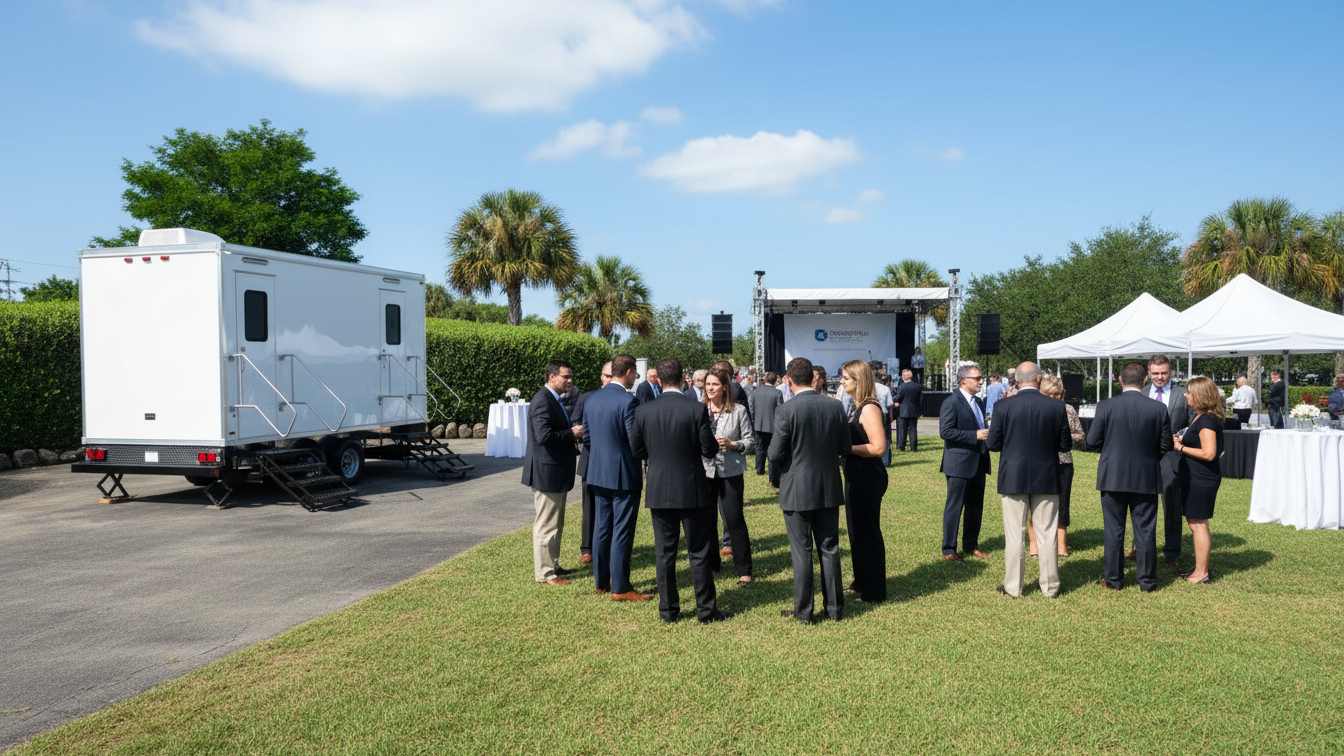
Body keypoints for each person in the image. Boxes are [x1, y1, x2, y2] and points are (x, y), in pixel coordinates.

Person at [631, 358, 732, 624]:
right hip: (691, 488)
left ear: (659, 380)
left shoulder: (643, 411)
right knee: (698, 552)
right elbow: (708, 448)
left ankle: (668, 611)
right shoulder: (695, 409)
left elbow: (637, 450)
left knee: (664, 554)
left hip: (659, 488)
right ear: (683, 379)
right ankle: (706, 611)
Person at [769, 357, 852, 623]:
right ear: (814, 378)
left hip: (797, 489)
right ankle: (834, 608)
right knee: (829, 548)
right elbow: (845, 447)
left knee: (801, 552)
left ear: (789, 380)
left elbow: (774, 453)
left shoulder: (786, 410)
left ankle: (804, 612)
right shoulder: (835, 406)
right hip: (828, 486)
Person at [986, 362, 1071, 598]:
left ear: (1016, 380)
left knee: (1014, 534)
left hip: (1013, 476)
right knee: (1047, 533)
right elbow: (1065, 445)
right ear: (1038, 379)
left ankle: (1013, 587)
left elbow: (992, 444)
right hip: (1046, 475)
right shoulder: (1056, 407)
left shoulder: (1003, 406)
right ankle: (1050, 587)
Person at [1086, 362, 1173, 592]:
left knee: (1113, 530)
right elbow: (1165, 444)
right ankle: (1147, 581)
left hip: (1113, 475)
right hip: (1146, 476)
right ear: (1145, 380)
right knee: (1145, 530)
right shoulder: (1158, 408)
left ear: (1120, 380)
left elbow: (1092, 440)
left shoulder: (1106, 406)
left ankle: (1114, 581)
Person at [581, 354, 649, 601]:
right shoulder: (629, 401)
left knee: (602, 528)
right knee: (621, 530)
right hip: (623, 474)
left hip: (597, 472)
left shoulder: (591, 398)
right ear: (629, 372)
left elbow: (586, 439)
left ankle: (601, 582)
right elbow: (635, 443)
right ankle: (620, 587)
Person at [521, 360, 583, 586]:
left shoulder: (553, 399)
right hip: (547, 473)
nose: (570, 380)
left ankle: (553, 565)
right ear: (552, 377)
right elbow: (543, 436)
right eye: (566, 376)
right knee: (546, 525)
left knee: (556, 523)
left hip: (556, 473)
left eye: (570, 376)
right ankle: (546, 574)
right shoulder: (542, 400)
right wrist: (572, 433)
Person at [839, 360, 889, 603]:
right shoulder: (856, 406)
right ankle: (861, 581)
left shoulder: (869, 408)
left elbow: (879, 447)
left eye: (846, 378)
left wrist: (846, 448)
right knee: (856, 532)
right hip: (856, 475)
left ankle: (875, 590)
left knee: (867, 533)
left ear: (859, 381)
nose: (841, 382)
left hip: (867, 478)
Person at [702, 366, 756, 585]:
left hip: (730, 472)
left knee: (734, 519)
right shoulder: (698, 409)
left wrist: (734, 444)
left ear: (725, 387)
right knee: (706, 521)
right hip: (704, 472)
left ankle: (744, 569)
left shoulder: (739, 411)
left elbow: (751, 442)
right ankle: (712, 564)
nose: (710, 388)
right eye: (707, 384)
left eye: (715, 384)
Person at [1141, 355, 1192, 567]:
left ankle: (1172, 551)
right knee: (1141, 505)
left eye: (1163, 373)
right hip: (1144, 457)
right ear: (1148, 373)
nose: (1159, 377)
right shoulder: (1141, 394)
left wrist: (1180, 438)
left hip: (1173, 458)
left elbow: (1193, 424)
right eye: (1155, 373)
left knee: (1171, 506)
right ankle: (1140, 547)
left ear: (1170, 373)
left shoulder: (1183, 394)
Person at [938, 363, 991, 562]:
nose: (981, 381)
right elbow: (946, 432)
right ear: (963, 380)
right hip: (959, 464)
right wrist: (974, 435)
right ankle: (949, 549)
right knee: (955, 506)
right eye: (977, 378)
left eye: (981, 377)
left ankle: (971, 545)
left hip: (978, 462)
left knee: (975, 507)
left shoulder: (978, 402)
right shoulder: (951, 402)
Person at [1174, 376, 1225, 585]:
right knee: (1195, 522)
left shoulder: (1207, 420)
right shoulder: (1200, 416)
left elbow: (1209, 453)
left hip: (1201, 479)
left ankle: (1202, 572)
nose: (1185, 395)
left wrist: (1181, 447)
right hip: (1194, 477)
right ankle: (1198, 568)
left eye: (1189, 392)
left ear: (1200, 395)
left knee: (1198, 524)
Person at [1033, 375, 1083, 557]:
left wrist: (1066, 436)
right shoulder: (1036, 408)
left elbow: (1080, 435)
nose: (1054, 398)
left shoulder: (1068, 409)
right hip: (1039, 462)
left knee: (1063, 503)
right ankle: (1035, 543)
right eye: (1049, 394)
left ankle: (1061, 544)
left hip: (1063, 462)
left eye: (1057, 394)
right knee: (1037, 503)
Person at [574, 360, 614, 565]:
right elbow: (576, 423)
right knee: (589, 505)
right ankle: (587, 549)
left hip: (613, 463)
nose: (608, 380)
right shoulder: (586, 398)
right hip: (590, 460)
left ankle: (610, 546)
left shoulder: (623, 398)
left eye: (612, 376)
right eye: (606, 376)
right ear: (601, 376)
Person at [748, 371, 783, 486]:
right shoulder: (777, 393)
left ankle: (759, 469)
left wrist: (753, 422)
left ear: (765, 380)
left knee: (759, 448)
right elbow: (780, 410)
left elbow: (751, 409)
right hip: (773, 426)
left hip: (758, 425)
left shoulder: (755, 392)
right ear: (774, 381)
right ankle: (772, 472)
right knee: (772, 450)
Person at [894, 368, 923, 452]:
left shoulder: (901, 387)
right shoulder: (917, 386)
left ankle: (901, 446)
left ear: (904, 377)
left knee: (902, 430)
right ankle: (913, 447)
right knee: (913, 430)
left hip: (903, 411)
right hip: (914, 410)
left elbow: (898, 397)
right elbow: (920, 399)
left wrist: (894, 400)